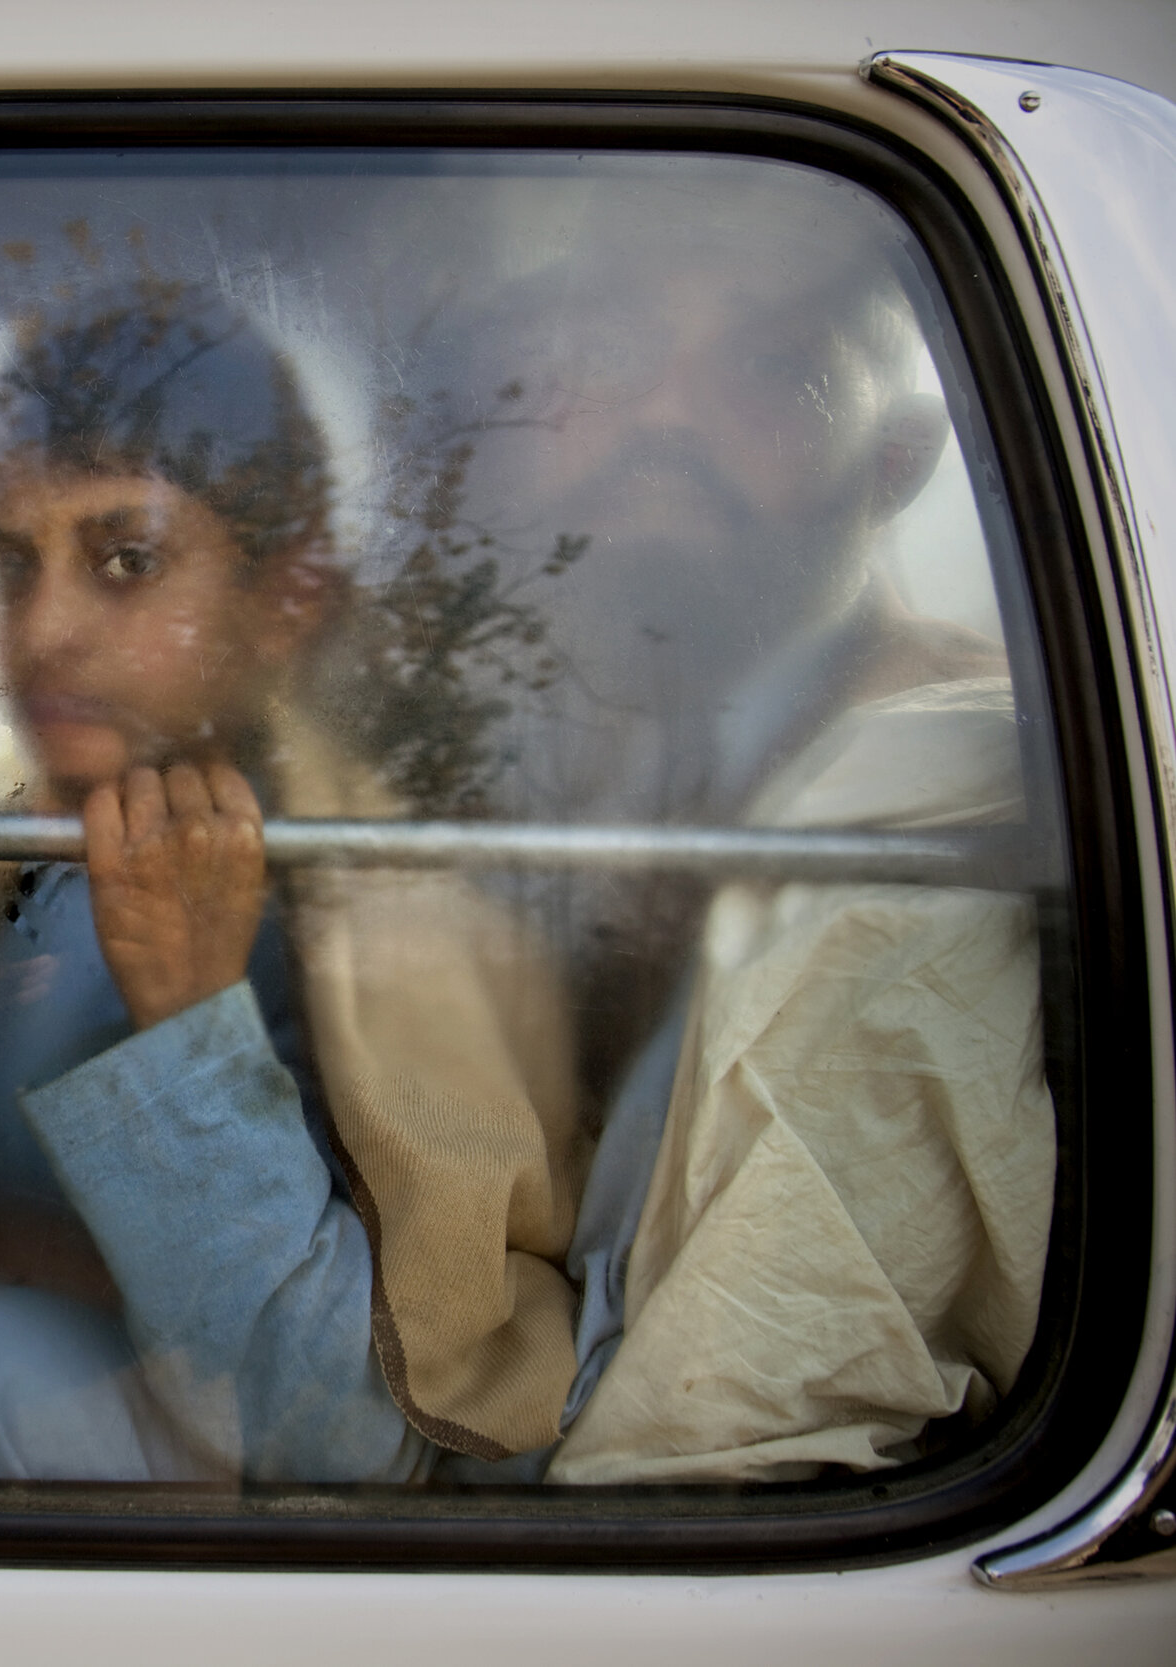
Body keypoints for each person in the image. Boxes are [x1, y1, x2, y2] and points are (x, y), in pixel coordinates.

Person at [0, 286, 584, 1482]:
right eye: (11, 561)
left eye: (126, 559)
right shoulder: (13, 845)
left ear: (287, 602)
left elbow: (361, 1445)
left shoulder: (386, 920)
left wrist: (190, 1024)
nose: (44, 631)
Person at [436, 174, 1060, 1481]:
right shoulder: (542, 717)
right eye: (619, 355)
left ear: (898, 461)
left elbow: (744, 1416)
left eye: (773, 366)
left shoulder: (934, 806)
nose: (662, 416)